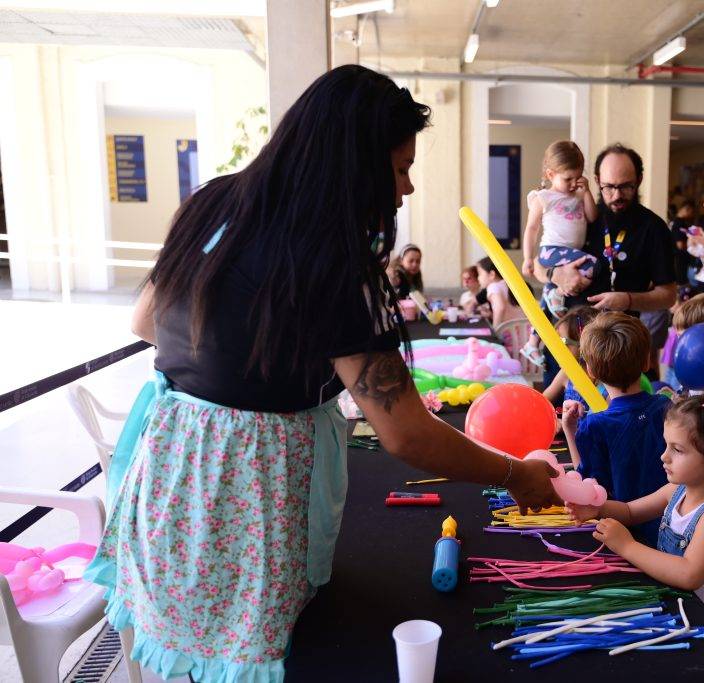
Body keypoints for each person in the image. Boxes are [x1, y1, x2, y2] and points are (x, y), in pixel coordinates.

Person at [84, 65, 558, 683]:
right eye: (399, 169)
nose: (407, 188)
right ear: (355, 165)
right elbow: (405, 433)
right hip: (248, 497)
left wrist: (245, 366)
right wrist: (515, 473)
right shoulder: (332, 259)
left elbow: (147, 320)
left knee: (207, 654)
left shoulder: (211, 203)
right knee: (257, 651)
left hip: (174, 475)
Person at [567, 389, 704, 631]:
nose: (664, 456)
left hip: (703, 622)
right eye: (666, 445)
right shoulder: (677, 491)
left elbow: (689, 574)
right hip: (673, 605)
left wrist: (627, 546)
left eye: (677, 450)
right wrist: (597, 509)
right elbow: (630, 511)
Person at [535, 144, 677, 386]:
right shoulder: (577, 212)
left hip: (619, 347)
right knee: (558, 406)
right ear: (597, 181)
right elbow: (536, 266)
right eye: (609, 187)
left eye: (626, 186)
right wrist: (555, 275)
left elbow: (668, 296)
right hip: (568, 342)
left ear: (639, 180)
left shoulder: (653, 228)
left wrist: (628, 300)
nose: (617, 195)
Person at [561, 312, 671, 547]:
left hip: (619, 534)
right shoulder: (666, 407)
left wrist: (570, 431)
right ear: (646, 362)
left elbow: (588, 488)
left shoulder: (594, 425)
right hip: (668, 528)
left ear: (591, 371)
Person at [521, 140, 599, 316]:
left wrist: (587, 192)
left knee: (580, 272)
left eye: (577, 177)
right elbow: (531, 229)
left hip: (569, 254)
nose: (573, 184)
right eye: (568, 179)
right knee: (593, 264)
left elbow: (592, 217)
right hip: (552, 250)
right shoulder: (543, 198)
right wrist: (528, 258)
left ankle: (548, 299)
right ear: (550, 174)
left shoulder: (579, 195)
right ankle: (557, 292)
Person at [541, 305, 601, 405]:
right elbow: (541, 402)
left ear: (585, 344)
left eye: (562, 341)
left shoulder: (606, 378)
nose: (556, 348)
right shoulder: (566, 373)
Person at [477, 256, 522, 327]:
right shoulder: (507, 284)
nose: (478, 278)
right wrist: (491, 315)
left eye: (479, 274)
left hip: (509, 330)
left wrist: (495, 328)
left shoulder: (493, 287)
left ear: (492, 275)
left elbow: (500, 308)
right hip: (522, 327)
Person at [669, 199, 699, 286]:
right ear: (687, 209)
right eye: (692, 212)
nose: (692, 215)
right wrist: (693, 245)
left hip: (677, 259)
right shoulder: (679, 223)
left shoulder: (674, 221)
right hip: (680, 260)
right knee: (682, 284)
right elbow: (680, 245)